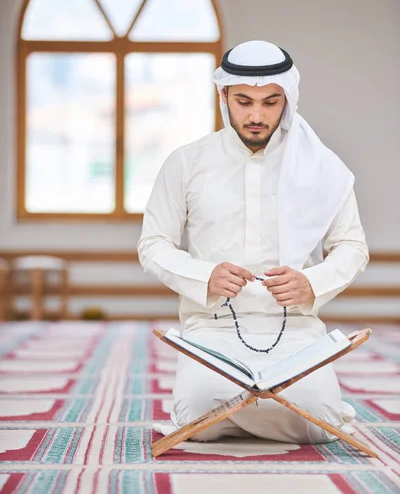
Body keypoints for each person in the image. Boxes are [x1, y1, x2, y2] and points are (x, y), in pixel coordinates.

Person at [137, 40, 369, 444]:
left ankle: (245, 412)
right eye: (244, 101)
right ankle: (262, 408)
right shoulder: (187, 162)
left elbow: (352, 247)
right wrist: (205, 274)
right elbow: (153, 243)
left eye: (270, 102)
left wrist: (311, 283)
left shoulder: (321, 167)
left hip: (296, 329)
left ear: (287, 100)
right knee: (198, 409)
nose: (257, 115)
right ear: (223, 95)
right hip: (212, 329)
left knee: (320, 417)